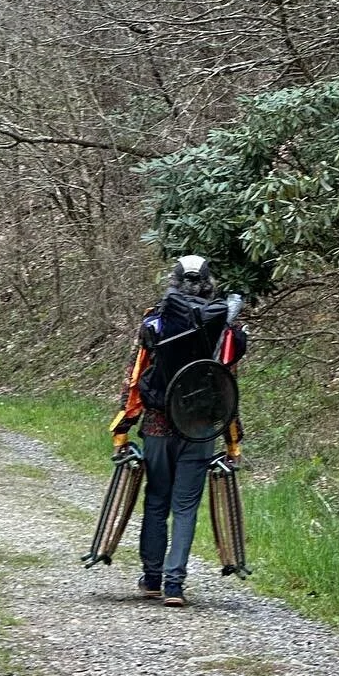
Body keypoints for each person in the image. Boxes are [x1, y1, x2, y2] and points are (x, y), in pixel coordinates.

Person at [108, 255, 247, 608]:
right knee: (186, 507)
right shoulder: (224, 327)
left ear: (173, 282)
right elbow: (226, 386)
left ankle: (151, 578)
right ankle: (174, 585)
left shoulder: (154, 322)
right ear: (207, 282)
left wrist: (122, 429)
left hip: (157, 427)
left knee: (156, 502)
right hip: (200, 429)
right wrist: (233, 442)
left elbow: (135, 380)